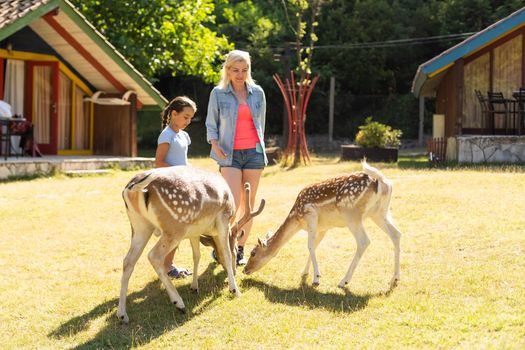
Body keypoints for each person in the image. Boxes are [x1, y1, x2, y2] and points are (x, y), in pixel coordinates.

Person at [205, 50, 267, 265]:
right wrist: (215, 144)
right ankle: (223, 246)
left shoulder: (258, 92)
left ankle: (239, 249)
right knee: (232, 203)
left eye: (244, 70)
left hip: (253, 154)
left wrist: (260, 149)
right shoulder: (218, 93)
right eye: (235, 70)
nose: (240, 74)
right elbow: (211, 124)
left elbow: (261, 124)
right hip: (228, 153)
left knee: (248, 206)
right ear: (227, 70)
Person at [155, 95, 197, 278]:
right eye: (185, 116)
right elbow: (159, 162)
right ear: (174, 113)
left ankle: (167, 263)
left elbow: (184, 161)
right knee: (176, 229)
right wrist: (181, 172)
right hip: (170, 186)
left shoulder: (184, 135)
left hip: (183, 185)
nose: (188, 121)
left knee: (181, 227)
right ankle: (166, 265)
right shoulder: (167, 135)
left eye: (190, 118)